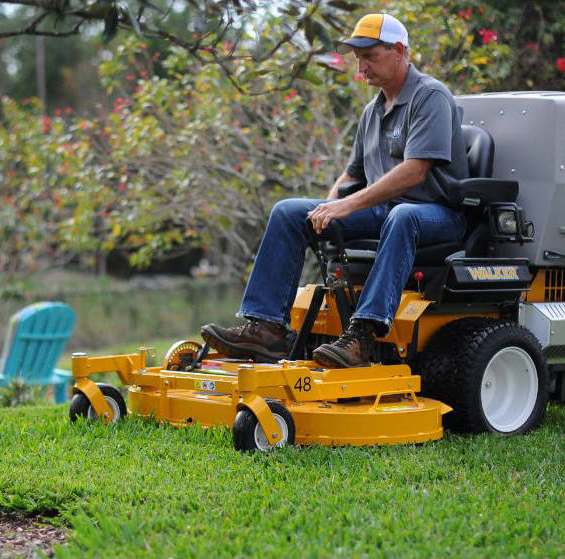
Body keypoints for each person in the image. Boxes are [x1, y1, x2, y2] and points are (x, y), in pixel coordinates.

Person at [200, 13, 468, 368]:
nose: (361, 67)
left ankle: (363, 336)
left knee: (403, 216)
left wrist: (347, 206)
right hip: (386, 212)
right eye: (358, 58)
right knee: (290, 212)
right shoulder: (372, 112)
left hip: (438, 214)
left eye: (369, 55)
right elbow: (350, 175)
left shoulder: (429, 96)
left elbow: (415, 172)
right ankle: (266, 329)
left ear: (400, 50)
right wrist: (326, 209)